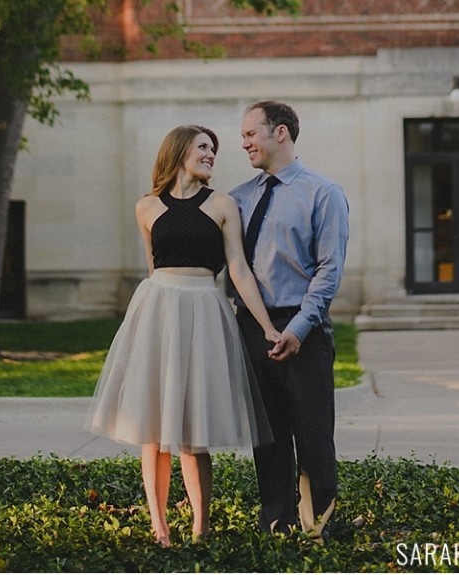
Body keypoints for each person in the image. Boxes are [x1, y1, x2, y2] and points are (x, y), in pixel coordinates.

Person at [86, 124, 282, 547]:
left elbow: (239, 269)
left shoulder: (223, 204)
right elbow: (152, 268)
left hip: (203, 311)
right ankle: (159, 527)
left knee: (194, 431)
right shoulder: (146, 207)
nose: (212, 153)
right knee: (154, 429)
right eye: (203, 147)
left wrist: (267, 325)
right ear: (179, 152)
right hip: (158, 310)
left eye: (214, 149)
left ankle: (200, 527)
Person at [229, 100, 349, 539]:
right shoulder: (239, 198)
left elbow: (329, 269)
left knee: (314, 435)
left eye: (250, 133)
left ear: (280, 133)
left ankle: (320, 526)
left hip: (305, 329)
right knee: (269, 438)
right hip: (252, 331)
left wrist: (298, 329)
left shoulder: (323, 193)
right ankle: (274, 524)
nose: (243, 142)